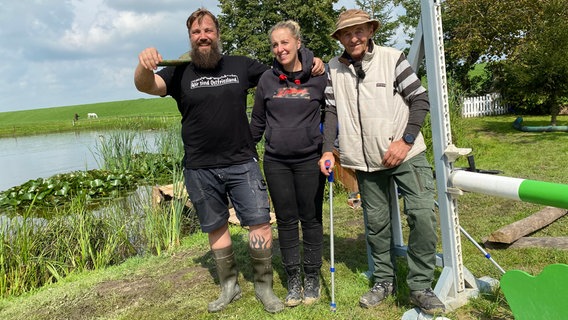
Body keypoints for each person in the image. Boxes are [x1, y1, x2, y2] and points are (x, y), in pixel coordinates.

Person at [134, 8, 323, 314]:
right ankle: (229, 287)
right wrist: (143, 65)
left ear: (217, 34)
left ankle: (264, 287)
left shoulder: (240, 65)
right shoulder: (179, 70)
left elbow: (283, 68)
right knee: (216, 225)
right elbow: (146, 85)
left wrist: (313, 60)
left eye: (208, 30)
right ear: (190, 38)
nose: (203, 36)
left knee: (260, 222)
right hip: (198, 166)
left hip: (241, 161)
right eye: (196, 32)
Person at [318, 9, 446, 315]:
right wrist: (326, 149)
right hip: (363, 162)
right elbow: (331, 112)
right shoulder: (334, 68)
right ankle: (384, 281)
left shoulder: (393, 58)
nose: (354, 38)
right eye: (346, 34)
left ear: (370, 31)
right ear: (340, 39)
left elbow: (420, 100)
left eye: (359, 31)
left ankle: (420, 286)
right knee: (376, 225)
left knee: (423, 216)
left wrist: (405, 141)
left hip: (405, 156)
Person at [250, 20, 327, 307]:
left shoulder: (318, 75)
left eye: (285, 42)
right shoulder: (267, 81)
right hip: (276, 161)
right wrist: (246, 152)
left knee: (311, 218)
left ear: (297, 43)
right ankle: (293, 277)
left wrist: (330, 149)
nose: (280, 49)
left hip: (310, 159)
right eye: (275, 44)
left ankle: (311, 276)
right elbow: (257, 121)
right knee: (285, 220)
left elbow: (330, 114)